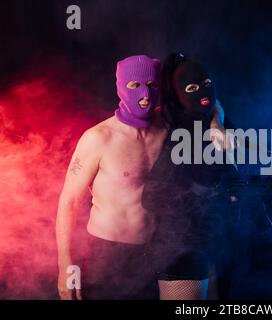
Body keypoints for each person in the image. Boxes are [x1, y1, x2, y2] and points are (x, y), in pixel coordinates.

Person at [56, 55, 224, 300]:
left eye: (152, 85)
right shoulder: (99, 138)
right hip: (109, 253)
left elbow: (206, 101)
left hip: (159, 250)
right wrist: (65, 266)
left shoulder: (166, 124)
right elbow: (68, 202)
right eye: (135, 85)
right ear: (121, 87)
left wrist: (216, 124)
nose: (145, 93)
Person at [141, 53, 272, 300]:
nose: (203, 92)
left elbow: (250, 166)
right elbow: (151, 197)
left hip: (222, 244)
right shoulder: (179, 134)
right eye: (192, 88)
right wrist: (203, 198)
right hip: (184, 248)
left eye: (206, 84)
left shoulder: (222, 125)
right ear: (179, 95)